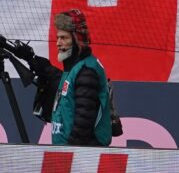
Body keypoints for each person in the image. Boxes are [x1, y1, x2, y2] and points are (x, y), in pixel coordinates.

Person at [30, 9, 117, 147]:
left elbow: (84, 119)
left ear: (77, 41)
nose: (58, 43)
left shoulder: (86, 71)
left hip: (79, 153)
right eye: (58, 37)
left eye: (64, 38)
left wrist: (71, 151)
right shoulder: (74, 68)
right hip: (68, 150)